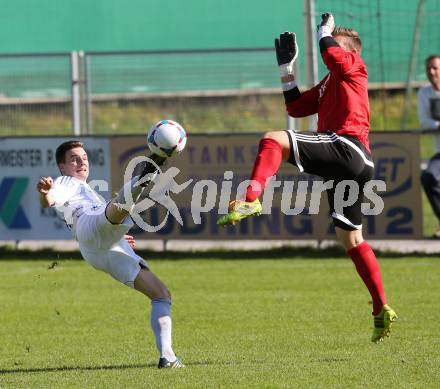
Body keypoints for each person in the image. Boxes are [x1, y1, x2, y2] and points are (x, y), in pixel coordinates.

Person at [218, 13, 397, 343]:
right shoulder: (333, 80)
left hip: (347, 147)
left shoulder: (353, 65)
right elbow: (297, 108)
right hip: (351, 164)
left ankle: (251, 198)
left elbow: (334, 56)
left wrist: (324, 33)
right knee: (351, 240)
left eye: (337, 46)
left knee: (273, 139)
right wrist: (287, 70)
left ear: (351, 52)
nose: (330, 49)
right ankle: (380, 308)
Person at [36, 140, 184, 368]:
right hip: (89, 226)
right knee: (118, 206)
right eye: (74, 158)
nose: (81, 161)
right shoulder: (66, 181)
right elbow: (51, 199)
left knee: (161, 294)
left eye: (84, 157)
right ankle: (153, 164)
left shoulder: (87, 191)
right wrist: (45, 194)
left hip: (99, 249)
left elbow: (101, 223)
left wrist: (116, 235)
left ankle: (168, 357)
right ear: (62, 167)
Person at [418, 55, 440, 238]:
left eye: (435, 68)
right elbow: (424, 122)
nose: (431, 72)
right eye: (428, 69)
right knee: (428, 177)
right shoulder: (424, 93)